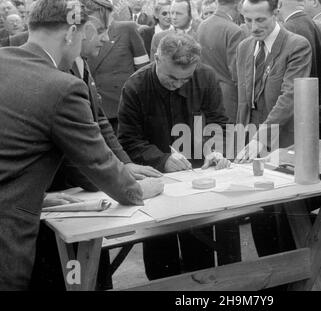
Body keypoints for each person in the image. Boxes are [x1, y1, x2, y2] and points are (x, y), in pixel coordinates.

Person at [0, 0, 144, 290]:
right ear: (71, 33)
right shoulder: (62, 86)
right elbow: (98, 164)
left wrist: (35, 197)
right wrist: (138, 189)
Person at [118, 33, 235, 280]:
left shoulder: (206, 76)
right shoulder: (136, 86)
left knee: (200, 249)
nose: (178, 84)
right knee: (160, 251)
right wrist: (162, 159)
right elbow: (128, 139)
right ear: (156, 59)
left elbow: (218, 122)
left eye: (186, 78)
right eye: (171, 77)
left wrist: (213, 150)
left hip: (197, 176)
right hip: (156, 178)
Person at [234, 0, 312, 257]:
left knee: (286, 221)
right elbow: (244, 100)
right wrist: (240, 139)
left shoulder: (297, 45)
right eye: (247, 20)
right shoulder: (245, 48)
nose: (253, 27)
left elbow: (290, 97)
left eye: (260, 20)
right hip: (253, 144)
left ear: (276, 14)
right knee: (260, 216)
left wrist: (261, 137)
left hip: (284, 143)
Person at [279, 0, 321, 139]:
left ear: (279, 4)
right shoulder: (320, 28)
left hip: (293, 123)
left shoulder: (285, 32)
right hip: (316, 117)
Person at [87, 13, 150, 131]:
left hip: (122, 110)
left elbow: (144, 70)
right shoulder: (82, 34)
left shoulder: (127, 29)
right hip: (94, 111)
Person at [197, 0, 246, 123]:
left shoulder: (202, 25)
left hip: (204, 93)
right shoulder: (234, 30)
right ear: (238, 5)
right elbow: (237, 72)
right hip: (227, 99)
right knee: (229, 139)